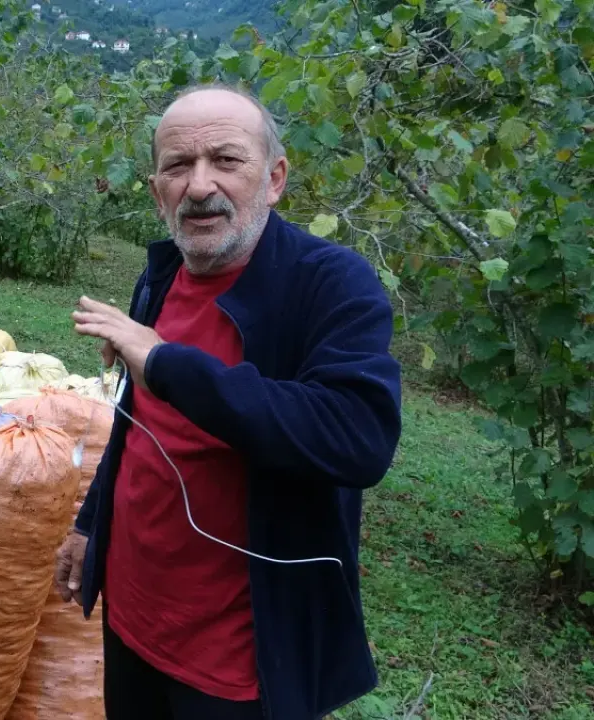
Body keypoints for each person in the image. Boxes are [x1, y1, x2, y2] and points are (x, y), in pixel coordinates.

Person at [60, 84, 402, 720]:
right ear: (156, 189)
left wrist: (166, 363)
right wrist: (90, 524)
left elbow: (358, 437)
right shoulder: (162, 272)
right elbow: (137, 422)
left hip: (239, 660)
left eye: (226, 160)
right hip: (133, 617)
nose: (199, 186)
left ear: (274, 179)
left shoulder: (330, 284)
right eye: (177, 166)